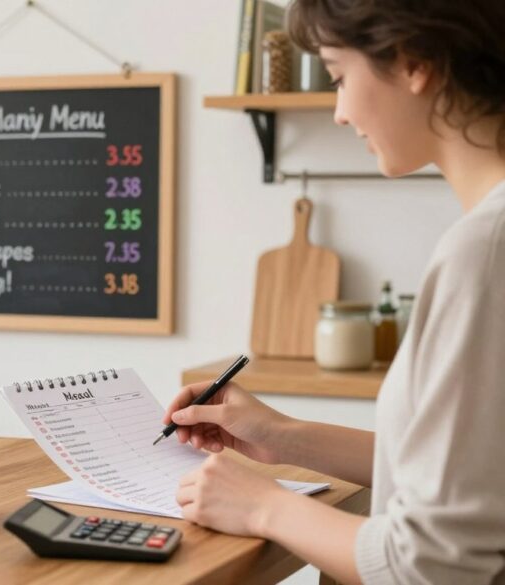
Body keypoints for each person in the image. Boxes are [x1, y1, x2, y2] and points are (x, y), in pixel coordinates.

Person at [164, 1, 505, 583]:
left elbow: (433, 567)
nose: (341, 113)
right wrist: (282, 437)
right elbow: (471, 481)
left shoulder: (485, 250)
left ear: (413, 62)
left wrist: (264, 506)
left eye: (339, 76)